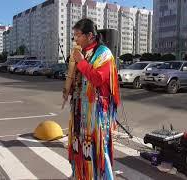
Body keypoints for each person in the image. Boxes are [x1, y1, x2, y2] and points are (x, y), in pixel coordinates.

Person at [65, 18, 120, 180]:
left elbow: (97, 79)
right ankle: (80, 175)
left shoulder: (104, 53)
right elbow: (77, 80)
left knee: (96, 148)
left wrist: (81, 62)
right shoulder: (82, 53)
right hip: (79, 110)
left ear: (90, 35)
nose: (75, 39)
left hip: (95, 113)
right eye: (73, 35)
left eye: (78, 35)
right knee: (79, 146)